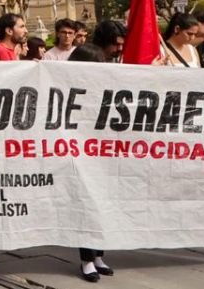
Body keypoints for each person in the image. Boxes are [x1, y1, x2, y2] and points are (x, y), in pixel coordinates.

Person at [66, 43, 116, 281]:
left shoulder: (102, 84)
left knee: (101, 205)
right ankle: (86, 259)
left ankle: (98, 256)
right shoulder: (64, 83)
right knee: (84, 206)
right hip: (75, 154)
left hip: (100, 153)